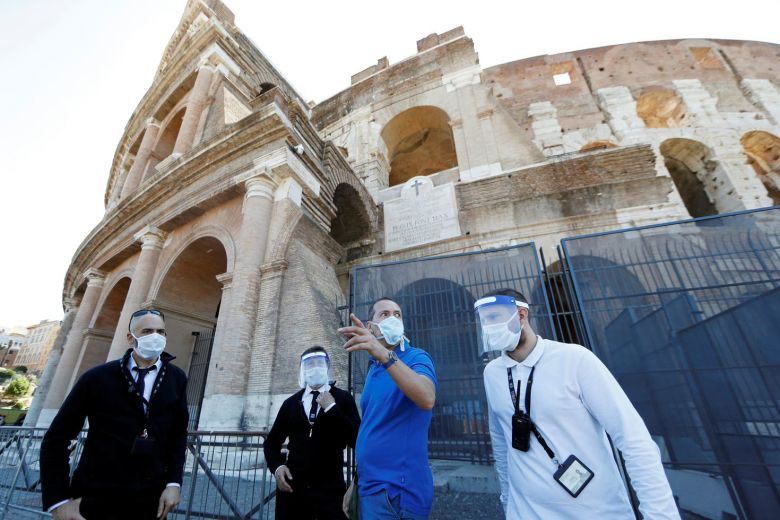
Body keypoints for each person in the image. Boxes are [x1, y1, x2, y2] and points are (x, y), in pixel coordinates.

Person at [476, 289, 680, 519]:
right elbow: (501, 443)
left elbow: (633, 439)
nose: (488, 326)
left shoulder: (575, 359)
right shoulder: (492, 373)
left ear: (521, 315)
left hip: (595, 511)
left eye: (494, 317)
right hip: (525, 511)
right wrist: (507, 501)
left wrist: (660, 515)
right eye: (484, 320)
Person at [40, 309, 188, 520]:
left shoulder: (177, 378)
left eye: (160, 332)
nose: (156, 337)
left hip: (151, 498)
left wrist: (174, 483)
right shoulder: (97, 377)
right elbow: (56, 439)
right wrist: (58, 502)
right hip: (96, 496)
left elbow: (178, 435)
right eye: (147, 331)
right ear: (131, 338)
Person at [338, 297, 437, 520]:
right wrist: (357, 481)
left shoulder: (416, 357)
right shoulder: (374, 369)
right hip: (369, 488)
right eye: (384, 314)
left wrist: (383, 354)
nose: (393, 318)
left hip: (396, 493)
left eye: (397, 314)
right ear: (371, 326)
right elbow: (372, 428)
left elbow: (427, 397)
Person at [264, 346, 361, 520]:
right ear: (303, 370)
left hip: (330, 491)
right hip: (293, 490)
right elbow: (271, 442)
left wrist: (332, 409)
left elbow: (357, 439)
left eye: (319, 363)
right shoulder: (290, 403)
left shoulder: (343, 399)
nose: (315, 368)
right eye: (309, 364)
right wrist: (277, 467)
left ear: (327, 367)